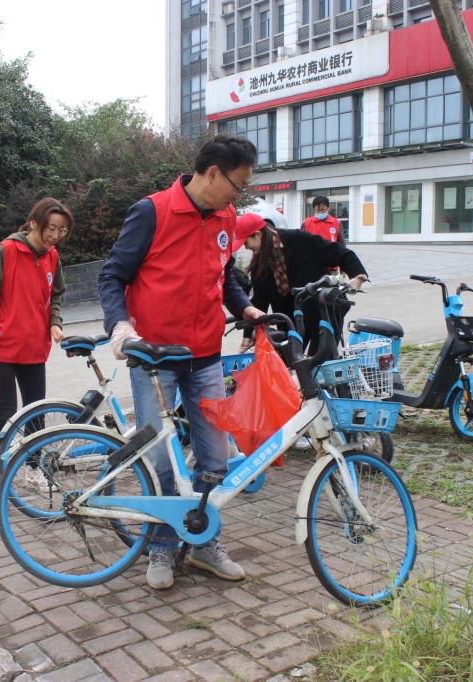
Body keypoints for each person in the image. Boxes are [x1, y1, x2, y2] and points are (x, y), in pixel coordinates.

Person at [98, 135, 264, 590]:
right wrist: (120, 326)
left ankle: (204, 544)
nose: (240, 195)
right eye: (238, 184)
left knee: (213, 457)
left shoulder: (226, 216)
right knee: (159, 462)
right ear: (213, 173)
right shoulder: (152, 212)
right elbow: (112, 275)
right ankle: (161, 547)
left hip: (206, 356)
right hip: (154, 359)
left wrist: (245, 307)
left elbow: (223, 274)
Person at [0, 198, 70, 503]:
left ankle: (33, 468)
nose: (55, 235)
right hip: (1, 347)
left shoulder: (52, 257)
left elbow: (56, 295)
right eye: (51, 228)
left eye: (62, 230)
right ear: (34, 223)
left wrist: (54, 322)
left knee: (36, 413)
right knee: (6, 414)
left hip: (34, 347)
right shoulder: (6, 251)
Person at [235, 212, 367, 355]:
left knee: (320, 362)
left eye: (246, 243)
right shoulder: (260, 264)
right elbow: (259, 302)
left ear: (257, 235)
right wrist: (248, 335)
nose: (246, 248)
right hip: (291, 319)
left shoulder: (298, 239)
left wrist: (358, 277)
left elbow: (341, 253)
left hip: (323, 311)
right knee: (286, 362)